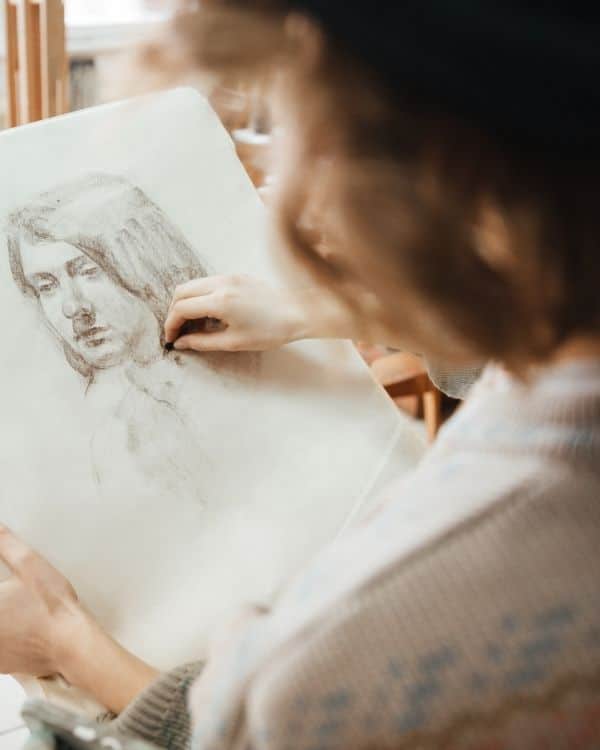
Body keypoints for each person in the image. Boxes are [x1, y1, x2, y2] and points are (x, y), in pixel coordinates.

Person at [1, 3, 599, 749]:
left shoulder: (368, 641)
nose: (290, 192)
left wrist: (67, 644)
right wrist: (327, 310)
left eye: (303, 134)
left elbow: (253, 723)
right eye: (46, 287)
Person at [7, 172, 211, 501]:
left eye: (88, 272)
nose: (73, 307)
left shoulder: (226, 387)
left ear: (145, 262)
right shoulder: (96, 434)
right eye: (47, 286)